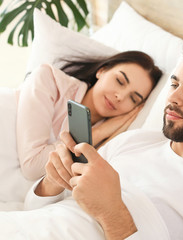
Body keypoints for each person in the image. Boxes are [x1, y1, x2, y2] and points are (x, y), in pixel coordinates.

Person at [6, 28, 183, 239]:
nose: (172, 97)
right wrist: (52, 181)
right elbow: (34, 208)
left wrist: (111, 212)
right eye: (174, 84)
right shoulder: (133, 142)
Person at [16, 51, 162, 180]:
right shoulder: (49, 79)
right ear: (102, 71)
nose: (120, 96)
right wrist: (98, 132)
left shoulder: (114, 139)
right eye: (120, 81)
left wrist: (107, 134)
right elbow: (32, 167)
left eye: (133, 99)